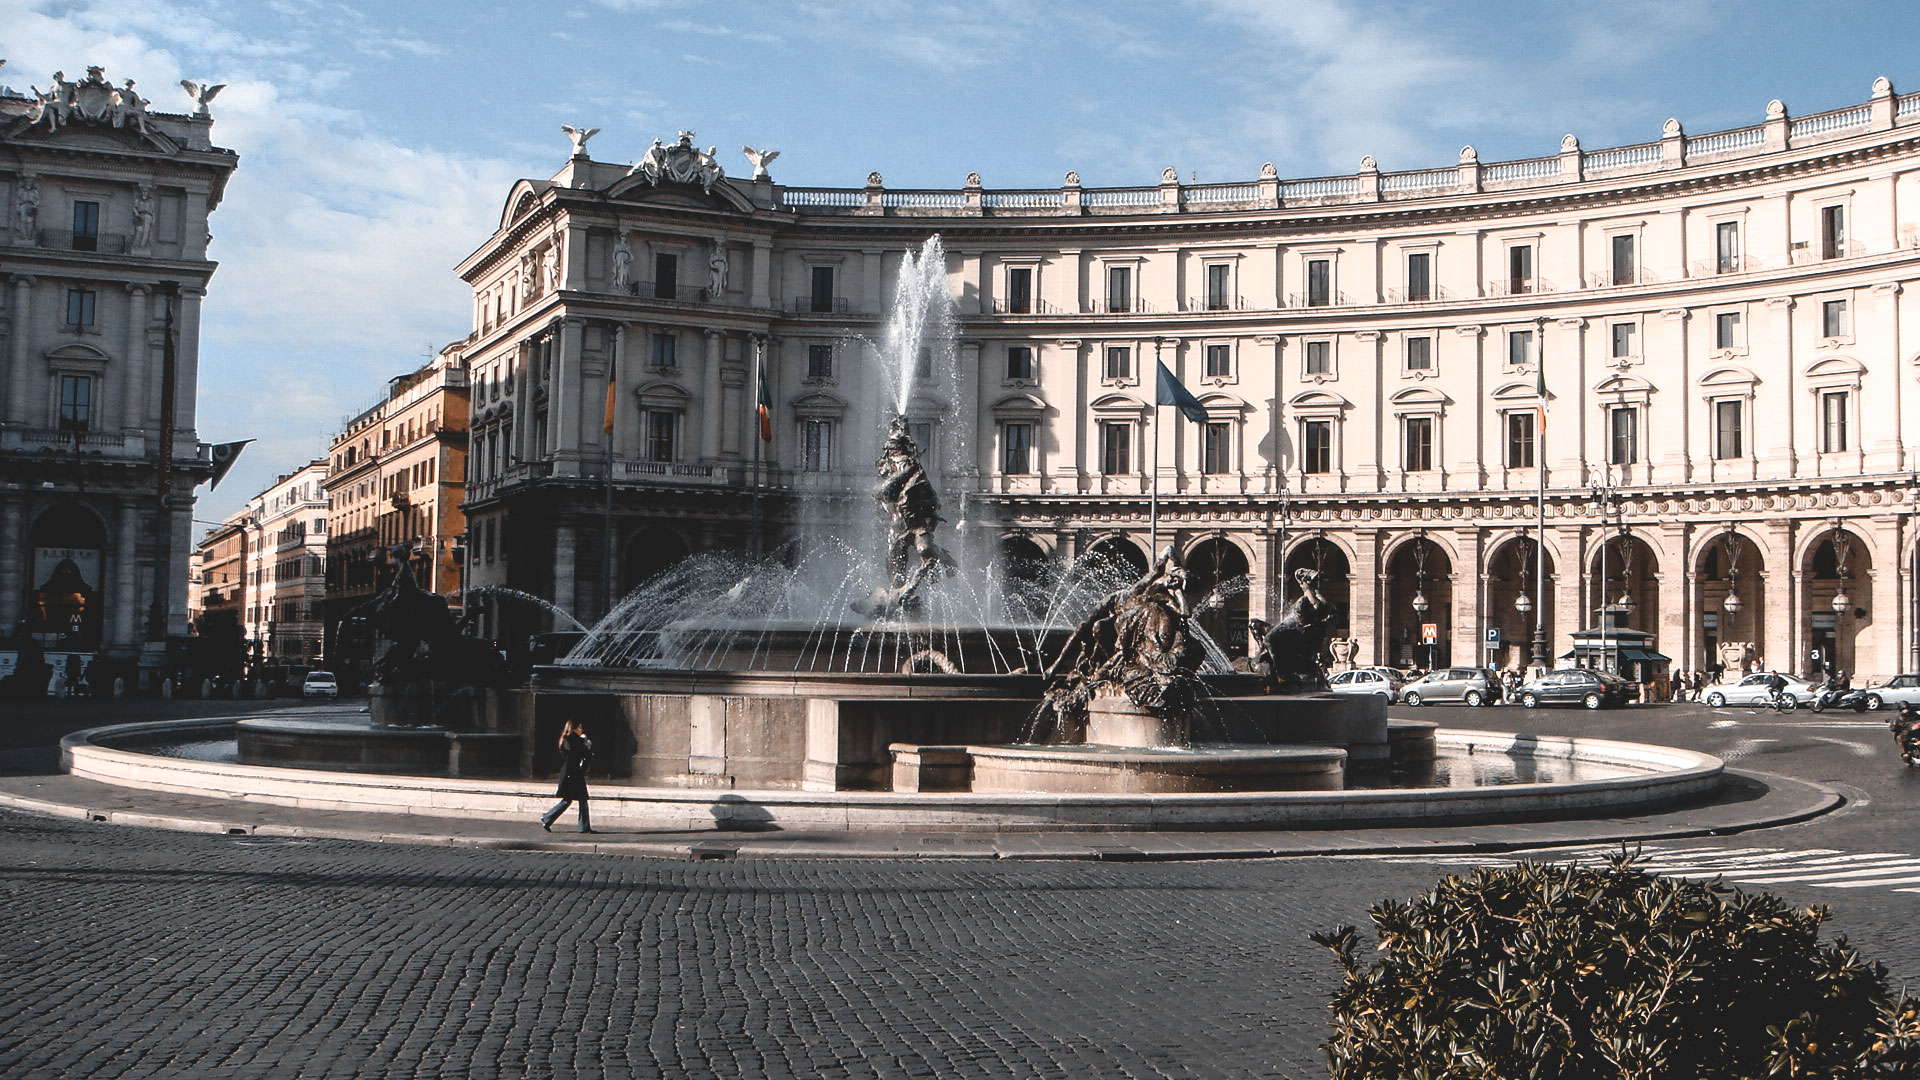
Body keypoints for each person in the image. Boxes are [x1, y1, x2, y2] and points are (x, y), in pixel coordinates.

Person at [539, 719, 595, 834]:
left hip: (572, 774)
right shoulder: (572, 740)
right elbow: (580, 754)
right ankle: (582, 826)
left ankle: (548, 818)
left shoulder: (568, 740)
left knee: (571, 800)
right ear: (574, 728)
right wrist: (586, 745)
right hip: (572, 774)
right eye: (579, 727)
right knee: (575, 800)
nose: (581, 730)